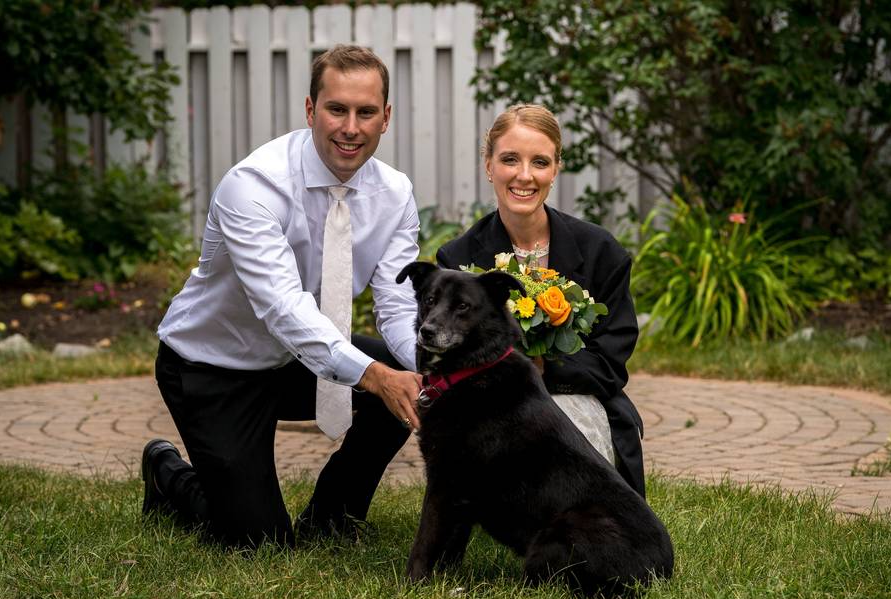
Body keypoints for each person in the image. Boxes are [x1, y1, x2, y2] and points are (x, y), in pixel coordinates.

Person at [141, 45, 424, 548]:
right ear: (311, 110)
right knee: (259, 543)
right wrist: (376, 376)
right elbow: (283, 309)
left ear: (386, 118)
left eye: (365, 113)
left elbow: (396, 303)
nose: (350, 128)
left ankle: (333, 516)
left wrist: (424, 370)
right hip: (212, 366)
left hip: (298, 362)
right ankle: (168, 474)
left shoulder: (395, 193)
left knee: (404, 388)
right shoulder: (253, 186)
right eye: (337, 109)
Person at [436, 104, 647, 497]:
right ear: (489, 166)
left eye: (540, 162)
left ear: (556, 168)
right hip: (492, 409)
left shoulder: (602, 251)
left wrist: (544, 365)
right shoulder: (458, 259)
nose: (525, 175)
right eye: (510, 159)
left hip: (579, 396)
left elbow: (610, 362)